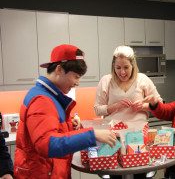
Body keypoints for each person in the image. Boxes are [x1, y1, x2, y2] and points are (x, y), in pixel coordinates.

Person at [14, 44, 117, 179]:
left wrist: (70, 127)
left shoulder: (49, 96)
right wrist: (92, 135)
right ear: (59, 70)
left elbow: (52, 131)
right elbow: (47, 144)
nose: (77, 82)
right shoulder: (42, 100)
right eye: (76, 76)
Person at [94, 45, 162, 179]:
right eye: (118, 68)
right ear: (113, 66)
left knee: (140, 173)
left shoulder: (142, 79)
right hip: (114, 137)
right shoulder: (106, 81)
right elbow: (97, 109)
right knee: (115, 173)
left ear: (133, 66)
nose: (122, 72)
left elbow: (160, 105)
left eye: (126, 67)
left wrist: (144, 106)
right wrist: (114, 106)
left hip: (138, 136)